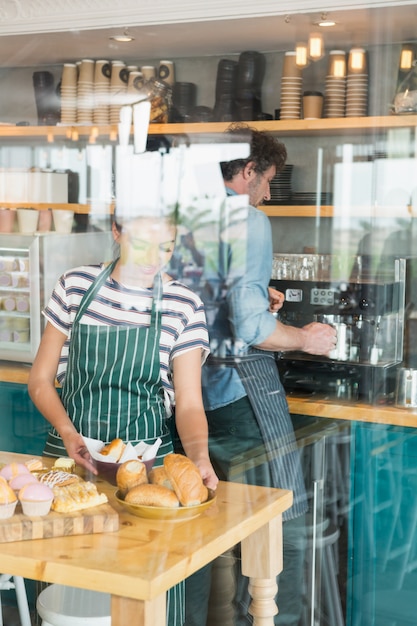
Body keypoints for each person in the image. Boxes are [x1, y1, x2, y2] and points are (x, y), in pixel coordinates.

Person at [28, 208, 219, 626]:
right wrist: (67, 430)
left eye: (166, 247)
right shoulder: (75, 285)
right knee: (69, 593)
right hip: (70, 465)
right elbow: (40, 381)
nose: (154, 258)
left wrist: (200, 458)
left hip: (149, 476)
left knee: (147, 594)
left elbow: (188, 403)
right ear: (116, 231)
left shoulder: (183, 303)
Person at [182, 123, 337, 626]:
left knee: (199, 530)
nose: (268, 193)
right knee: (280, 525)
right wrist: (303, 338)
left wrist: (256, 298)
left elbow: (202, 303)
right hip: (239, 390)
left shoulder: (185, 217)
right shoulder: (246, 220)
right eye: (268, 179)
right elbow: (250, 329)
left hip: (185, 394)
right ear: (248, 171)